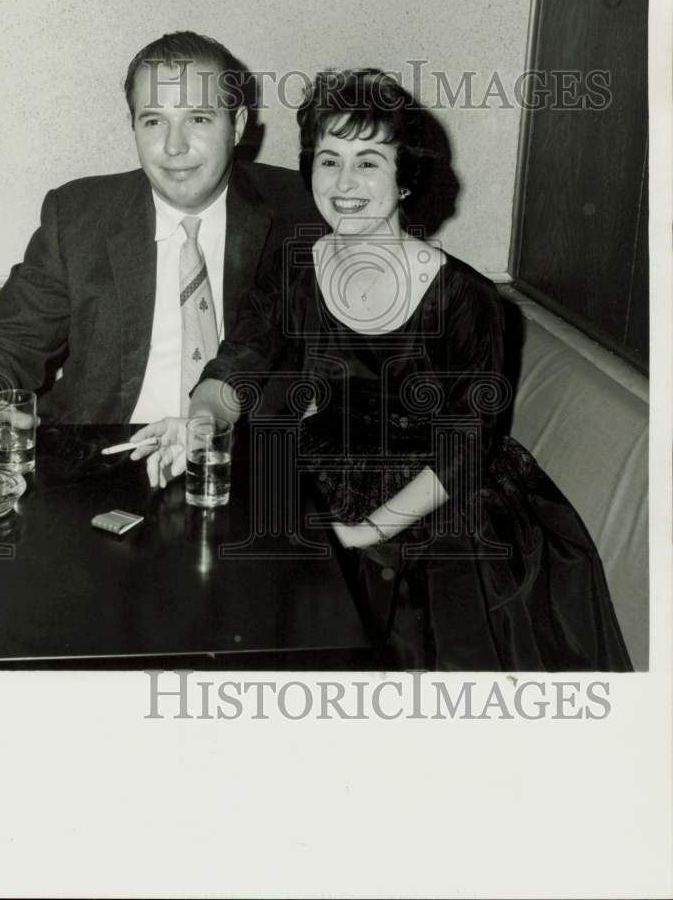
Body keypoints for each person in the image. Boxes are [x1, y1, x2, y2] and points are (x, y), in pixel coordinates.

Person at [132, 68, 633, 672]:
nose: (344, 183)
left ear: (404, 181)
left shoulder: (466, 298)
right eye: (329, 160)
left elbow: (465, 447)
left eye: (368, 162)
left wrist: (367, 534)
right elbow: (240, 360)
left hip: (445, 505)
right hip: (321, 475)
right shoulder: (296, 268)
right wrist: (202, 421)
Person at [0, 31, 319, 466]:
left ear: (237, 125)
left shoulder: (302, 208)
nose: (174, 146)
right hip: (99, 463)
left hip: (252, 468)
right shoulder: (77, 215)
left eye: (199, 119)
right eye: (153, 121)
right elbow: (12, 337)